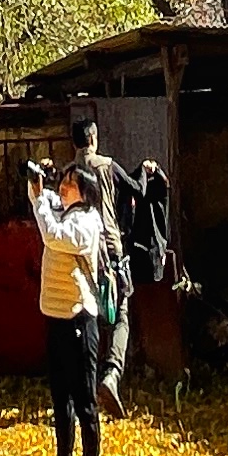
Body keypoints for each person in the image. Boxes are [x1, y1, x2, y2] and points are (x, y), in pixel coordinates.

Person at [27, 156, 112, 456]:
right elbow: (46, 208)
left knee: (85, 402)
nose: (61, 188)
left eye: (68, 184)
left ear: (85, 193)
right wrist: (38, 188)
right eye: (61, 182)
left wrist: (42, 202)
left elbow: (52, 235)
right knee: (60, 401)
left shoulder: (86, 223)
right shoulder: (62, 212)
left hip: (79, 321)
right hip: (56, 318)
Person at [68, 113, 139, 414]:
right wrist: (147, 171)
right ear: (94, 138)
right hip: (111, 249)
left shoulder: (69, 173)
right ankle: (111, 374)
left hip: (82, 253)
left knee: (89, 316)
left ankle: (84, 383)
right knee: (121, 312)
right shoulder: (107, 165)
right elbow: (135, 188)